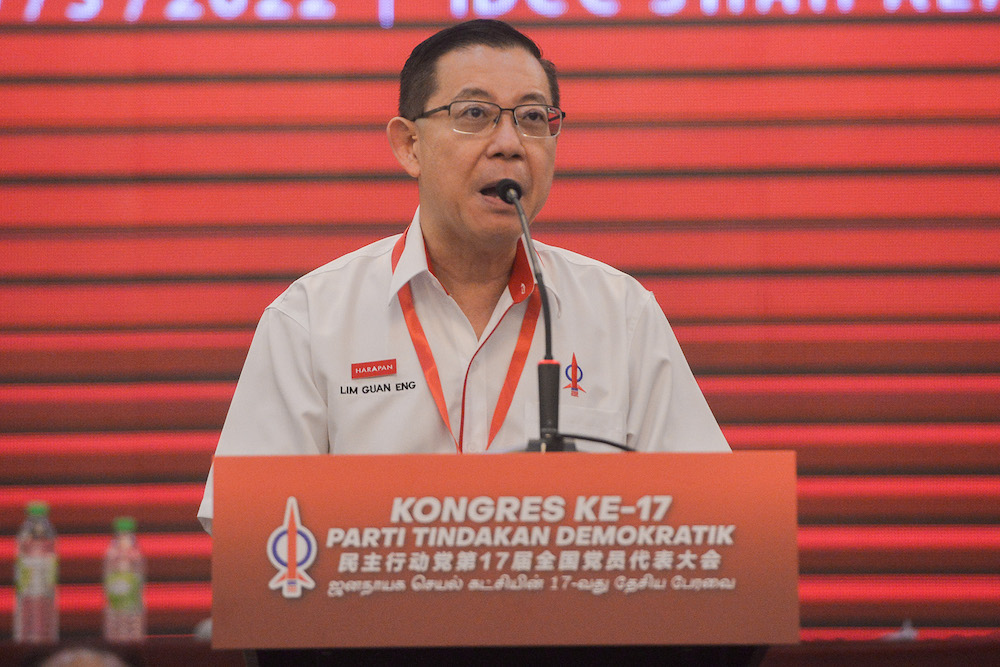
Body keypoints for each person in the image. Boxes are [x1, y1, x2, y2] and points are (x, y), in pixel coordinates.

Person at [197, 19, 729, 533]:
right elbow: (251, 536)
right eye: (474, 114)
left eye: (533, 118)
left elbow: (708, 519)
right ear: (409, 146)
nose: (510, 143)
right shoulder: (312, 319)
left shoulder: (621, 314)